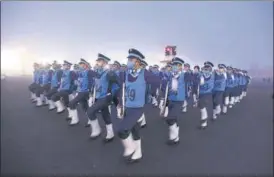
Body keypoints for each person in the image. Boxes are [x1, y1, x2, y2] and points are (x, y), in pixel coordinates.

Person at [117, 48, 155, 163]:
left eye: (131, 59)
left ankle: (131, 147)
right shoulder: (126, 74)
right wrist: (120, 104)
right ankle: (138, 153)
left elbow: (157, 83)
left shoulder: (145, 73)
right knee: (134, 130)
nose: (129, 61)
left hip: (138, 108)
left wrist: (153, 97)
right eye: (128, 59)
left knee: (122, 130)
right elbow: (122, 90)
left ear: (138, 61)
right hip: (128, 106)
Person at [86, 53, 120, 143]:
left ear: (104, 62)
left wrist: (111, 94)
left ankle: (97, 131)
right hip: (98, 96)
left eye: (99, 61)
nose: (97, 63)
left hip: (105, 97)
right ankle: (110, 133)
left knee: (90, 111)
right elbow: (96, 84)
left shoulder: (109, 73)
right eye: (97, 61)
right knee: (105, 115)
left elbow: (118, 84)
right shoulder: (99, 73)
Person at [159, 57, 186, 145]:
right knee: (174, 119)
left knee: (170, 119)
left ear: (180, 66)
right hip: (170, 99)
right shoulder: (170, 75)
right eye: (173, 65)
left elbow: (193, 80)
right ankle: (175, 138)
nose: (174, 67)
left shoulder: (184, 75)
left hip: (178, 100)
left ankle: (173, 137)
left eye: (176, 65)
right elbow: (165, 87)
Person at [67, 58, 93, 126]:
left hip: (85, 92)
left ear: (85, 65)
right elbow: (77, 82)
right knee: (85, 107)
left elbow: (91, 82)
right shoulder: (80, 73)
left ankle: (75, 120)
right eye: (80, 64)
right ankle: (90, 119)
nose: (80, 66)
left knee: (71, 103)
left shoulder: (89, 72)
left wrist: (90, 91)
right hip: (80, 91)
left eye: (82, 64)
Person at [198, 61, 215, 129]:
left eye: (208, 67)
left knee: (202, 105)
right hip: (201, 92)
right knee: (201, 106)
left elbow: (210, 84)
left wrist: (203, 82)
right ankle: (204, 120)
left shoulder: (212, 75)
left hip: (207, 93)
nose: (206, 68)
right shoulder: (201, 74)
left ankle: (204, 120)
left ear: (210, 68)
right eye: (205, 67)